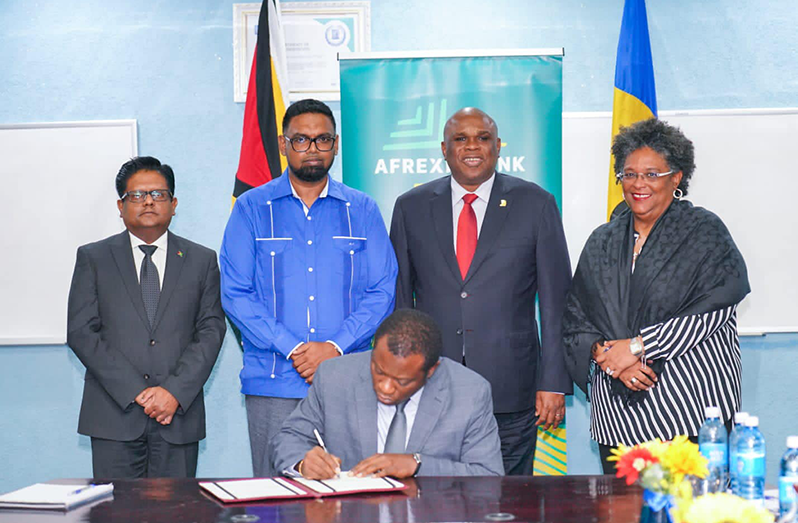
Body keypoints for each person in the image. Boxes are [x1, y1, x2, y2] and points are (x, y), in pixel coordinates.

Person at [389, 107, 573, 475]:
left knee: (507, 500)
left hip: (511, 388)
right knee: (433, 496)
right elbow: (400, 299)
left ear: (498, 146)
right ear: (444, 149)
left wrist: (553, 381)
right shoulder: (410, 207)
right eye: (461, 139)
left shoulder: (536, 204)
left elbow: (557, 301)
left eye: (483, 138)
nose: (472, 146)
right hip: (430, 385)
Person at [220, 99, 398, 477]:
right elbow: (235, 293)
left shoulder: (362, 209)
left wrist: (334, 347)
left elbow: (382, 289)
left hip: (350, 380)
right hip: (275, 382)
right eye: (301, 140)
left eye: (322, 140)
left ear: (336, 145)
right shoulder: (251, 208)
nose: (313, 149)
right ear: (284, 145)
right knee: (277, 498)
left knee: (353, 493)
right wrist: (296, 349)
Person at [562, 118, 750, 473]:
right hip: (618, 417)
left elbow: (713, 310)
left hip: (689, 409)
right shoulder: (602, 240)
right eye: (629, 174)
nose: (638, 184)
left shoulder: (703, 232)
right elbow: (577, 316)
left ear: (676, 178)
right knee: (625, 513)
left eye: (651, 174)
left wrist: (635, 347)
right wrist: (605, 354)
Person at [67, 156, 225, 478]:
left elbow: (210, 331)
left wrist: (173, 392)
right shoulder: (93, 258)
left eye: (159, 194)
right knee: (116, 513)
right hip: (114, 415)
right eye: (137, 195)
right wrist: (136, 391)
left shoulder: (201, 260)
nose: (149, 201)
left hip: (177, 415)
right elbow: (82, 332)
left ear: (174, 203)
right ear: (120, 205)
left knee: (176, 512)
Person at [272, 308, 504, 478]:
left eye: (401, 381)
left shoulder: (470, 392)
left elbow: (488, 475)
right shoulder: (335, 376)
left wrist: (418, 465)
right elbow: (288, 437)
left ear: (431, 370)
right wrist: (303, 463)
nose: (385, 387)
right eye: (379, 371)